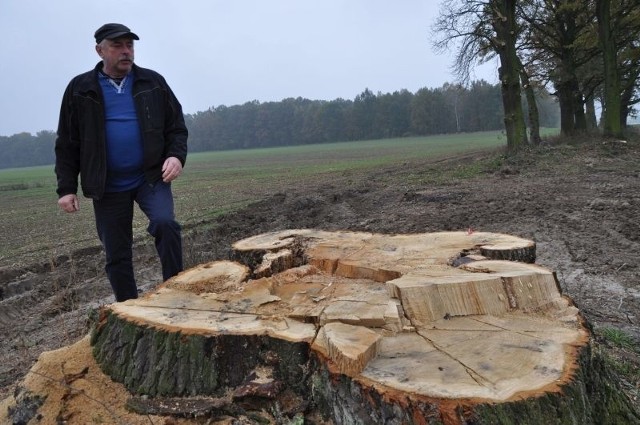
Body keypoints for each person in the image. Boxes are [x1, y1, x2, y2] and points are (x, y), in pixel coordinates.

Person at [55, 23, 188, 302]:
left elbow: (176, 127)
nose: (126, 52)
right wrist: (66, 188)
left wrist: (176, 156)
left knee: (166, 224)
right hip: (108, 184)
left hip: (150, 177)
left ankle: (177, 292)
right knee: (116, 252)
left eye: (130, 45)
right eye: (118, 46)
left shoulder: (153, 82)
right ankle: (129, 306)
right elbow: (67, 143)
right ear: (99, 50)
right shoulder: (80, 89)